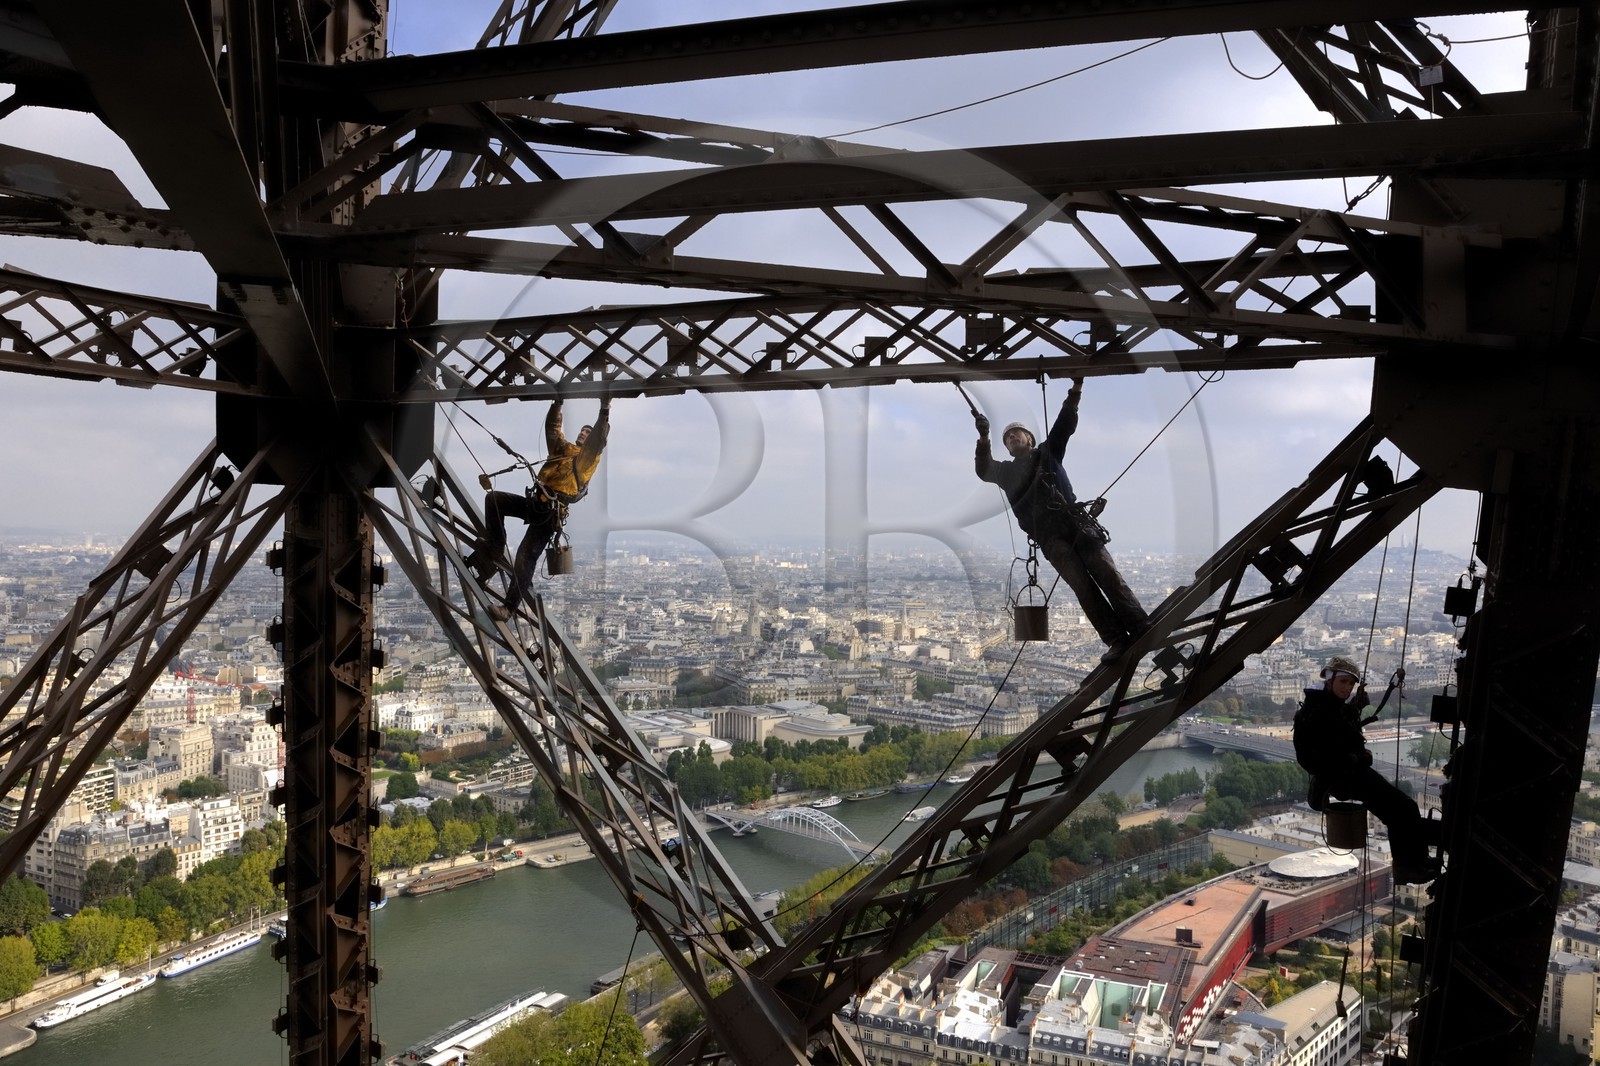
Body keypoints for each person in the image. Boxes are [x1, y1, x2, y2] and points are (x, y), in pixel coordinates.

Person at [974, 376, 1149, 658]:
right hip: (1056, 536)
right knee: (1086, 587)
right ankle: (1122, 636)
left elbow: (1064, 424)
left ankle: (1136, 628)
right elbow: (984, 470)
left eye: (1016, 433)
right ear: (1006, 447)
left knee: (1107, 576)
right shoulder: (1007, 472)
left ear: (1029, 439)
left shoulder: (1048, 452)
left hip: (1070, 528)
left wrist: (1075, 390)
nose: (1012, 438)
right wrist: (983, 438)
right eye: (1007, 437)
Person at [1293, 656, 1438, 883]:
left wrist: (1353, 709)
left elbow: (1335, 733)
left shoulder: (1323, 707)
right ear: (1330, 680)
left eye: (1351, 684)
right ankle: (1410, 866)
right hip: (1345, 777)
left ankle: (1414, 864)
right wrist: (1358, 758)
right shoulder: (1320, 712)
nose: (1348, 688)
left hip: (1345, 776)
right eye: (1344, 682)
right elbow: (1325, 752)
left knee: (1401, 810)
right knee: (1404, 809)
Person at [476, 397, 610, 621]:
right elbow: (553, 429)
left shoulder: (587, 460)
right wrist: (557, 404)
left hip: (549, 514)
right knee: (494, 500)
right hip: (535, 503)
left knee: (526, 556)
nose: (583, 434)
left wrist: (604, 411)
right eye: (582, 431)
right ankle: (496, 547)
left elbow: (598, 440)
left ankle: (508, 608)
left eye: (588, 433)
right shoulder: (563, 449)